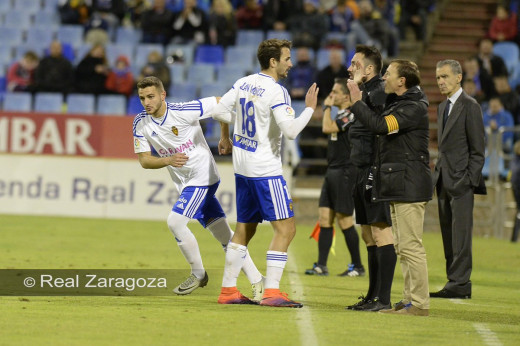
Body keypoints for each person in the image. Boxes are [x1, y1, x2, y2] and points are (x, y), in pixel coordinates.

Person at [133, 76, 264, 300]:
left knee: (175, 222)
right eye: (142, 98)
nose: (146, 102)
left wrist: (224, 136)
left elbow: (220, 103)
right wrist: (168, 160)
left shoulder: (183, 110)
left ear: (162, 95)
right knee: (224, 235)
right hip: (186, 182)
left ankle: (198, 273)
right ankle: (257, 280)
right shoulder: (140, 123)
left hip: (203, 176)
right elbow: (144, 160)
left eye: (151, 96)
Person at [210, 39, 319, 307]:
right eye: (287, 58)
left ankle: (228, 290)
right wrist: (310, 109)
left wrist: (225, 138)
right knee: (286, 229)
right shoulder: (277, 91)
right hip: (266, 171)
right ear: (273, 61)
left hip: (242, 169)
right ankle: (271, 292)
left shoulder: (242, 82)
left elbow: (220, 110)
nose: (291, 63)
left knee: (244, 230)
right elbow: (291, 131)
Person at [348, 59, 432, 316]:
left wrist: (355, 101)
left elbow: (380, 126)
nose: (384, 77)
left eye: (388, 74)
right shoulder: (401, 103)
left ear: (402, 81)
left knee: (411, 245)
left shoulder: (413, 108)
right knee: (402, 246)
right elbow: (377, 110)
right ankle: (408, 301)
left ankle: (419, 303)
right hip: (398, 182)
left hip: (409, 183)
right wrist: (361, 91)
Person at [344, 45, 395, 312]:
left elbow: (379, 127)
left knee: (380, 230)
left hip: (375, 169)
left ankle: (383, 299)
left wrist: (357, 100)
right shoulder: (364, 92)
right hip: (360, 168)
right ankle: (372, 295)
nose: (349, 68)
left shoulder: (379, 92)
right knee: (367, 233)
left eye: (355, 63)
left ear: (370, 69)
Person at [431, 59, 486, 300]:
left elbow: (478, 152)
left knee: (461, 234)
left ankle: (461, 282)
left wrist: (467, 180)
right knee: (448, 234)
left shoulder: (470, 106)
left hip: (461, 182)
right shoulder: (443, 107)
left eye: (444, 77)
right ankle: (453, 281)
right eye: (438, 78)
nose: (441, 82)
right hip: (443, 180)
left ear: (458, 77)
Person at [304, 78, 364, 277]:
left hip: (346, 172)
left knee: (345, 220)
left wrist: (327, 107)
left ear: (347, 96)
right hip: (332, 171)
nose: (331, 95)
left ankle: (357, 266)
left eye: (335, 92)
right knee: (324, 217)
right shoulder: (341, 114)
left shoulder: (352, 115)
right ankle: (322, 265)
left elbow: (327, 128)